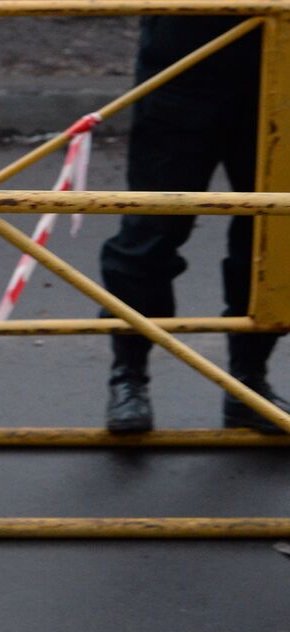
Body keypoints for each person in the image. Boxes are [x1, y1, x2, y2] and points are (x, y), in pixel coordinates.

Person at [102, 15, 287, 433]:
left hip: (278, 71)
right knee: (149, 236)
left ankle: (248, 384)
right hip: (182, 68)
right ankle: (127, 377)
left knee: (269, 240)